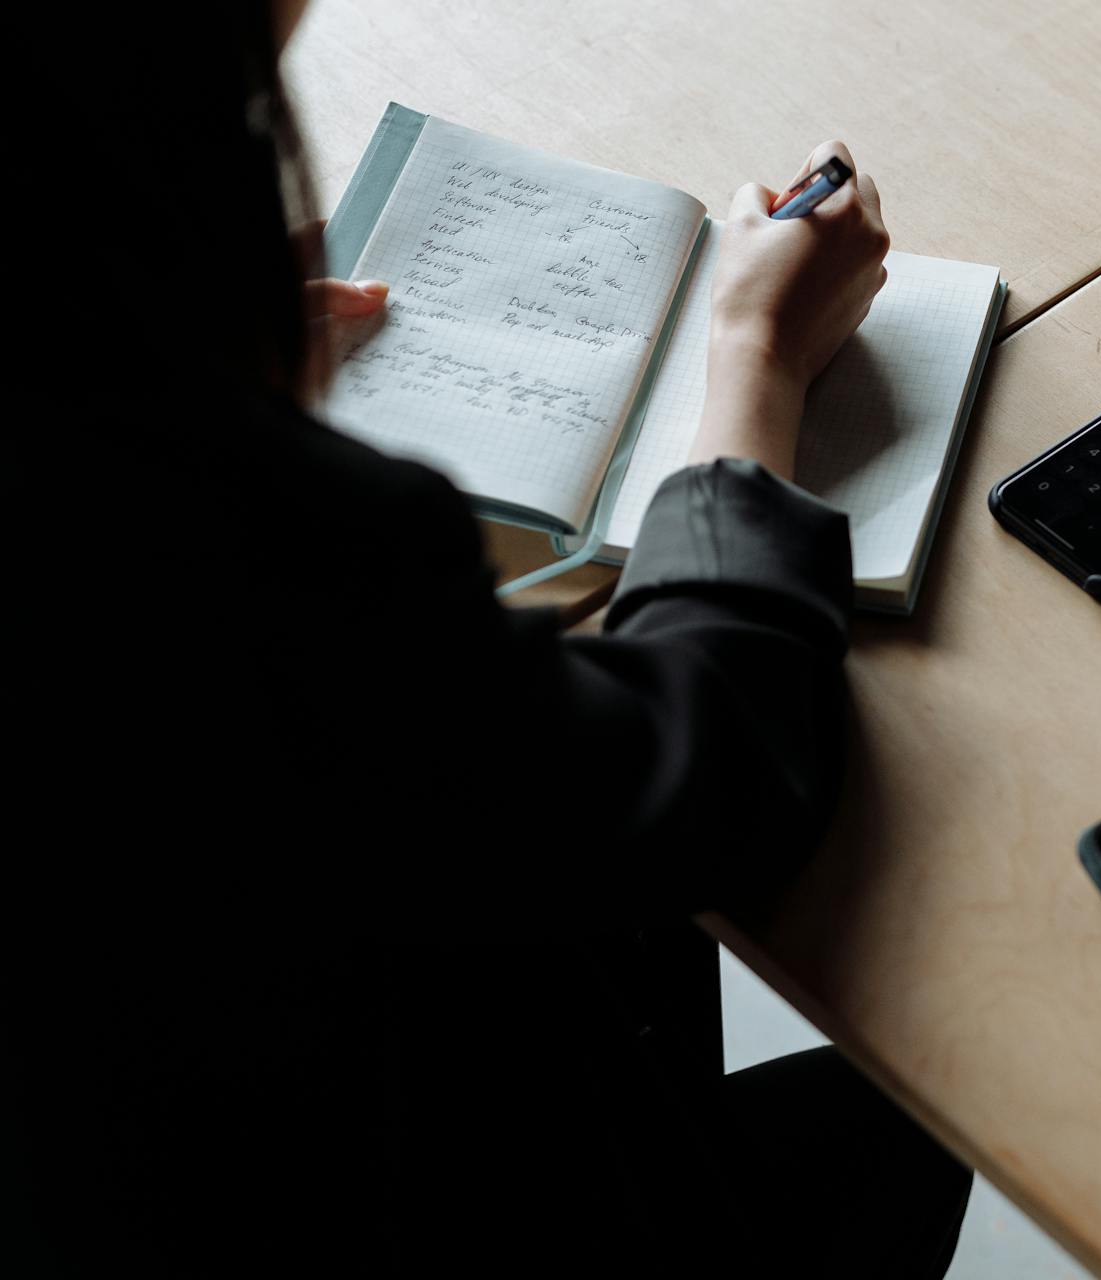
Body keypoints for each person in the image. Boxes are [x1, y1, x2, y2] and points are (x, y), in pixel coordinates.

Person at [13, 3, 970, 1275]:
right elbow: (699, 781)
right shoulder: (223, 545)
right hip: (425, 1192)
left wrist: (202, 351)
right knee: (940, 1089)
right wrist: (756, 355)